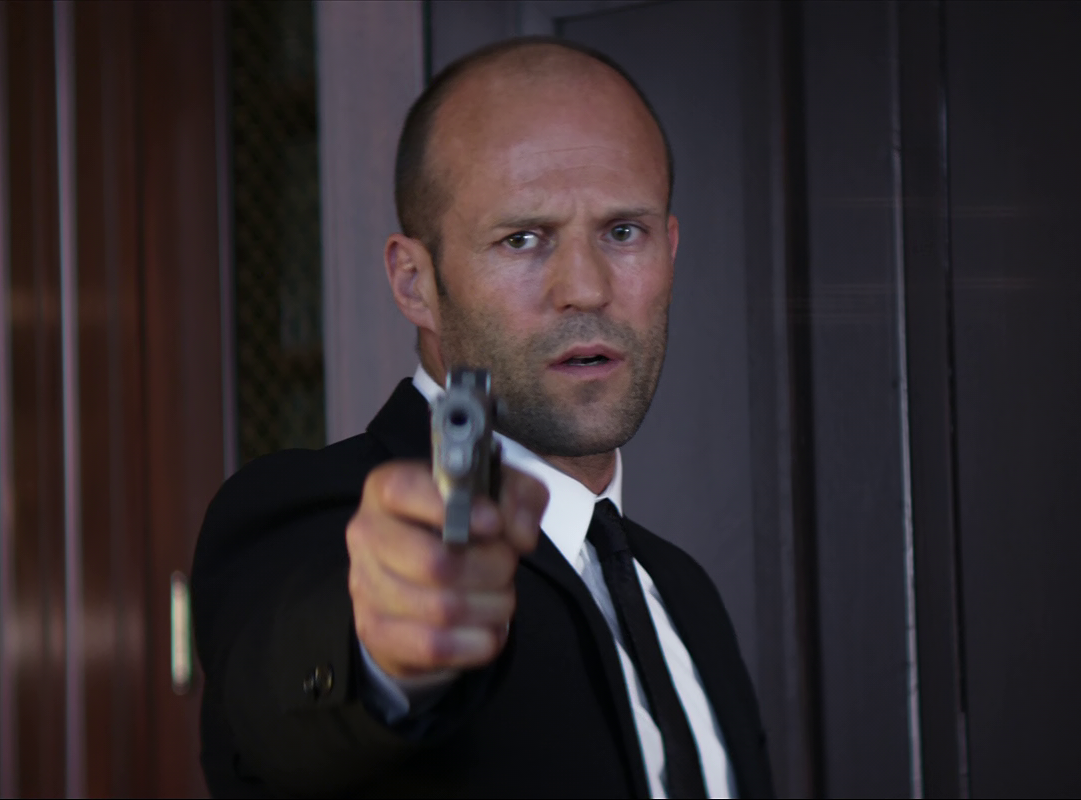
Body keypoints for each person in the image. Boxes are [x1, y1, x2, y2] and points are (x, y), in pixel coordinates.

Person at [191, 36, 774, 798]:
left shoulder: (683, 592)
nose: (585, 287)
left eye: (622, 232)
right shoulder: (312, 521)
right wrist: (380, 656)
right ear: (415, 283)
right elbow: (277, 712)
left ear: (670, 249)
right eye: (522, 239)